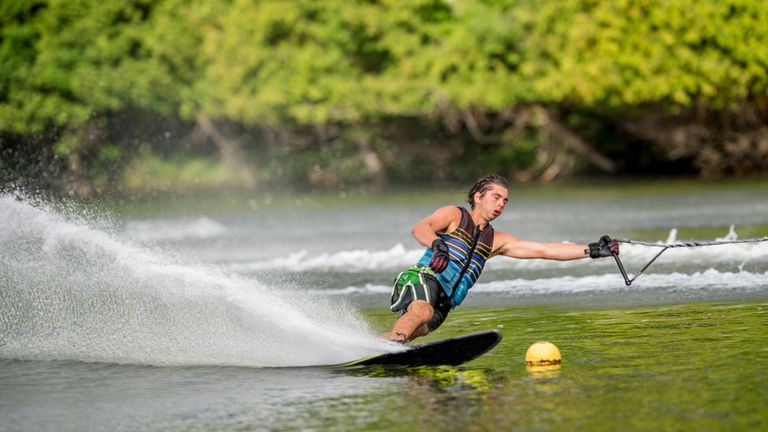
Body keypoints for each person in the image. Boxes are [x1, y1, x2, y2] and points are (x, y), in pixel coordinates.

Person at [387, 174, 619, 343]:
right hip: (423, 279)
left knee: (419, 328)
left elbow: (546, 250)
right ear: (478, 197)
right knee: (421, 313)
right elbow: (419, 228)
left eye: (505, 201)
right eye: (496, 197)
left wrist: (592, 250)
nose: (500, 204)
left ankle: (379, 345)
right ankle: (396, 344)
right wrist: (437, 244)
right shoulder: (454, 215)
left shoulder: (496, 240)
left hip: (445, 303)